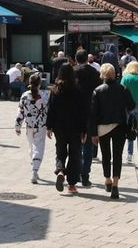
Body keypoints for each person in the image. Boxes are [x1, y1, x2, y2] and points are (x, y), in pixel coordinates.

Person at [89, 63, 133, 200]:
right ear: (114, 74)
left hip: (103, 127)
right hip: (119, 125)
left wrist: (93, 133)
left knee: (106, 155)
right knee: (118, 155)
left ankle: (107, 179)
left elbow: (93, 114)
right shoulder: (122, 88)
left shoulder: (97, 90)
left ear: (102, 75)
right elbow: (132, 105)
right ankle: (115, 184)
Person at [46, 64, 87, 194]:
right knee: (75, 155)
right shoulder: (78, 91)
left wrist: (49, 126)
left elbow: (50, 109)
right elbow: (83, 112)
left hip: (59, 126)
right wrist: (84, 129)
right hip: (75, 127)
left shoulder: (55, 90)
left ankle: (61, 170)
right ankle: (72, 184)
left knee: (60, 150)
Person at [73, 50, 102, 188]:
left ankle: (75, 172)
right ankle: (85, 175)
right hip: (90, 112)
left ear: (75, 59)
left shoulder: (71, 72)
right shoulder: (95, 73)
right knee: (88, 146)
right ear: (88, 59)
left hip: (75, 112)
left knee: (75, 145)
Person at [15, 73, 49, 184]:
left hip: (29, 125)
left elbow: (21, 111)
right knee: (38, 148)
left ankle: (34, 167)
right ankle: (34, 170)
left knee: (31, 147)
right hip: (41, 125)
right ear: (40, 84)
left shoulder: (25, 95)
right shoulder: (45, 96)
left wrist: (17, 125)